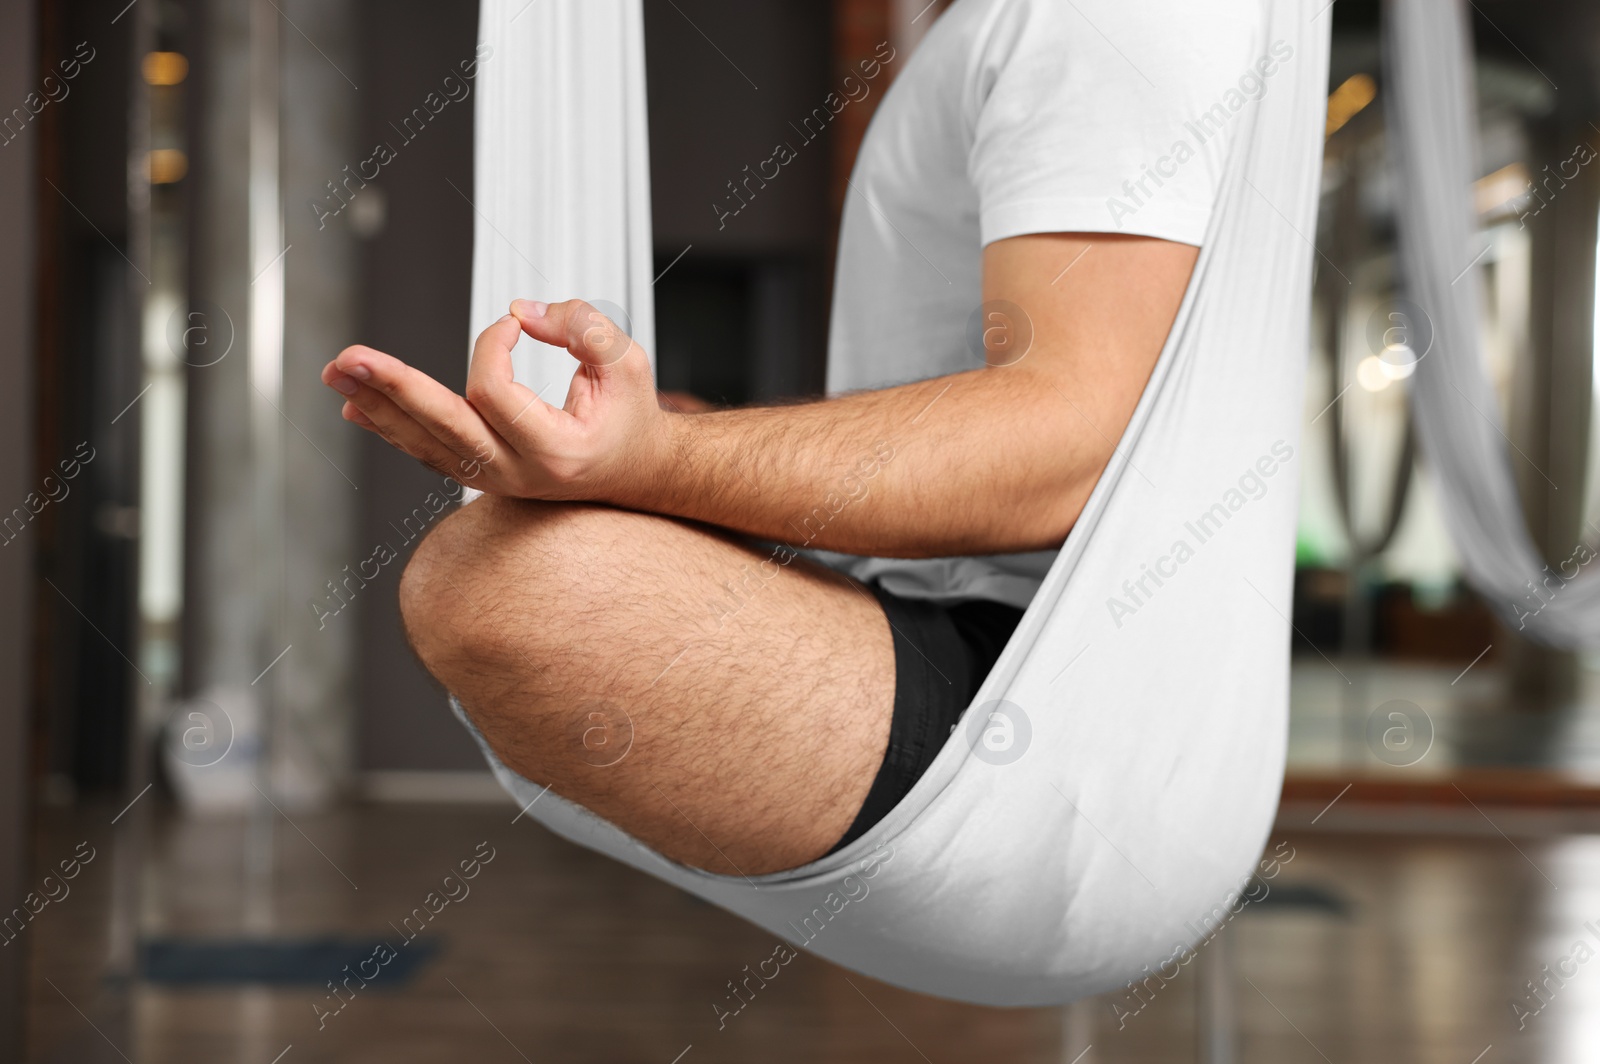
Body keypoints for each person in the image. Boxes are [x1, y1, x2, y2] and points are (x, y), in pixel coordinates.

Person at [322, 0, 1270, 879]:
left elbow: (1077, 448)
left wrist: (655, 460)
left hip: (1044, 685)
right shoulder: (981, 25)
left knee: (498, 584)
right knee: (526, 539)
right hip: (917, 605)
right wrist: (653, 450)